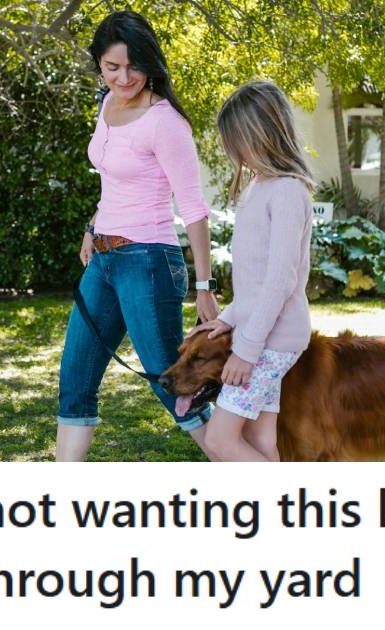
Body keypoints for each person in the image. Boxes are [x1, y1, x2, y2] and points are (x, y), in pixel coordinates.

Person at [54, 10, 220, 461]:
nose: (123, 77)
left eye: (133, 66)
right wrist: (93, 227)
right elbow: (115, 181)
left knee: (174, 385)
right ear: (99, 65)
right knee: (75, 382)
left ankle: (245, 475)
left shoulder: (165, 122)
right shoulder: (106, 105)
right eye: (112, 67)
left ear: (150, 63)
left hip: (148, 261)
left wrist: (204, 288)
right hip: (104, 259)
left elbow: (193, 208)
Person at [188, 80, 315, 462]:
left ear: (260, 135)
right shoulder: (260, 186)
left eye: (237, 141)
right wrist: (226, 320)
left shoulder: (288, 191)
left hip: (270, 342)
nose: (235, 152)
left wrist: (245, 352)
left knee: (219, 441)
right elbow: (255, 284)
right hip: (261, 335)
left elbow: (279, 281)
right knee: (260, 444)